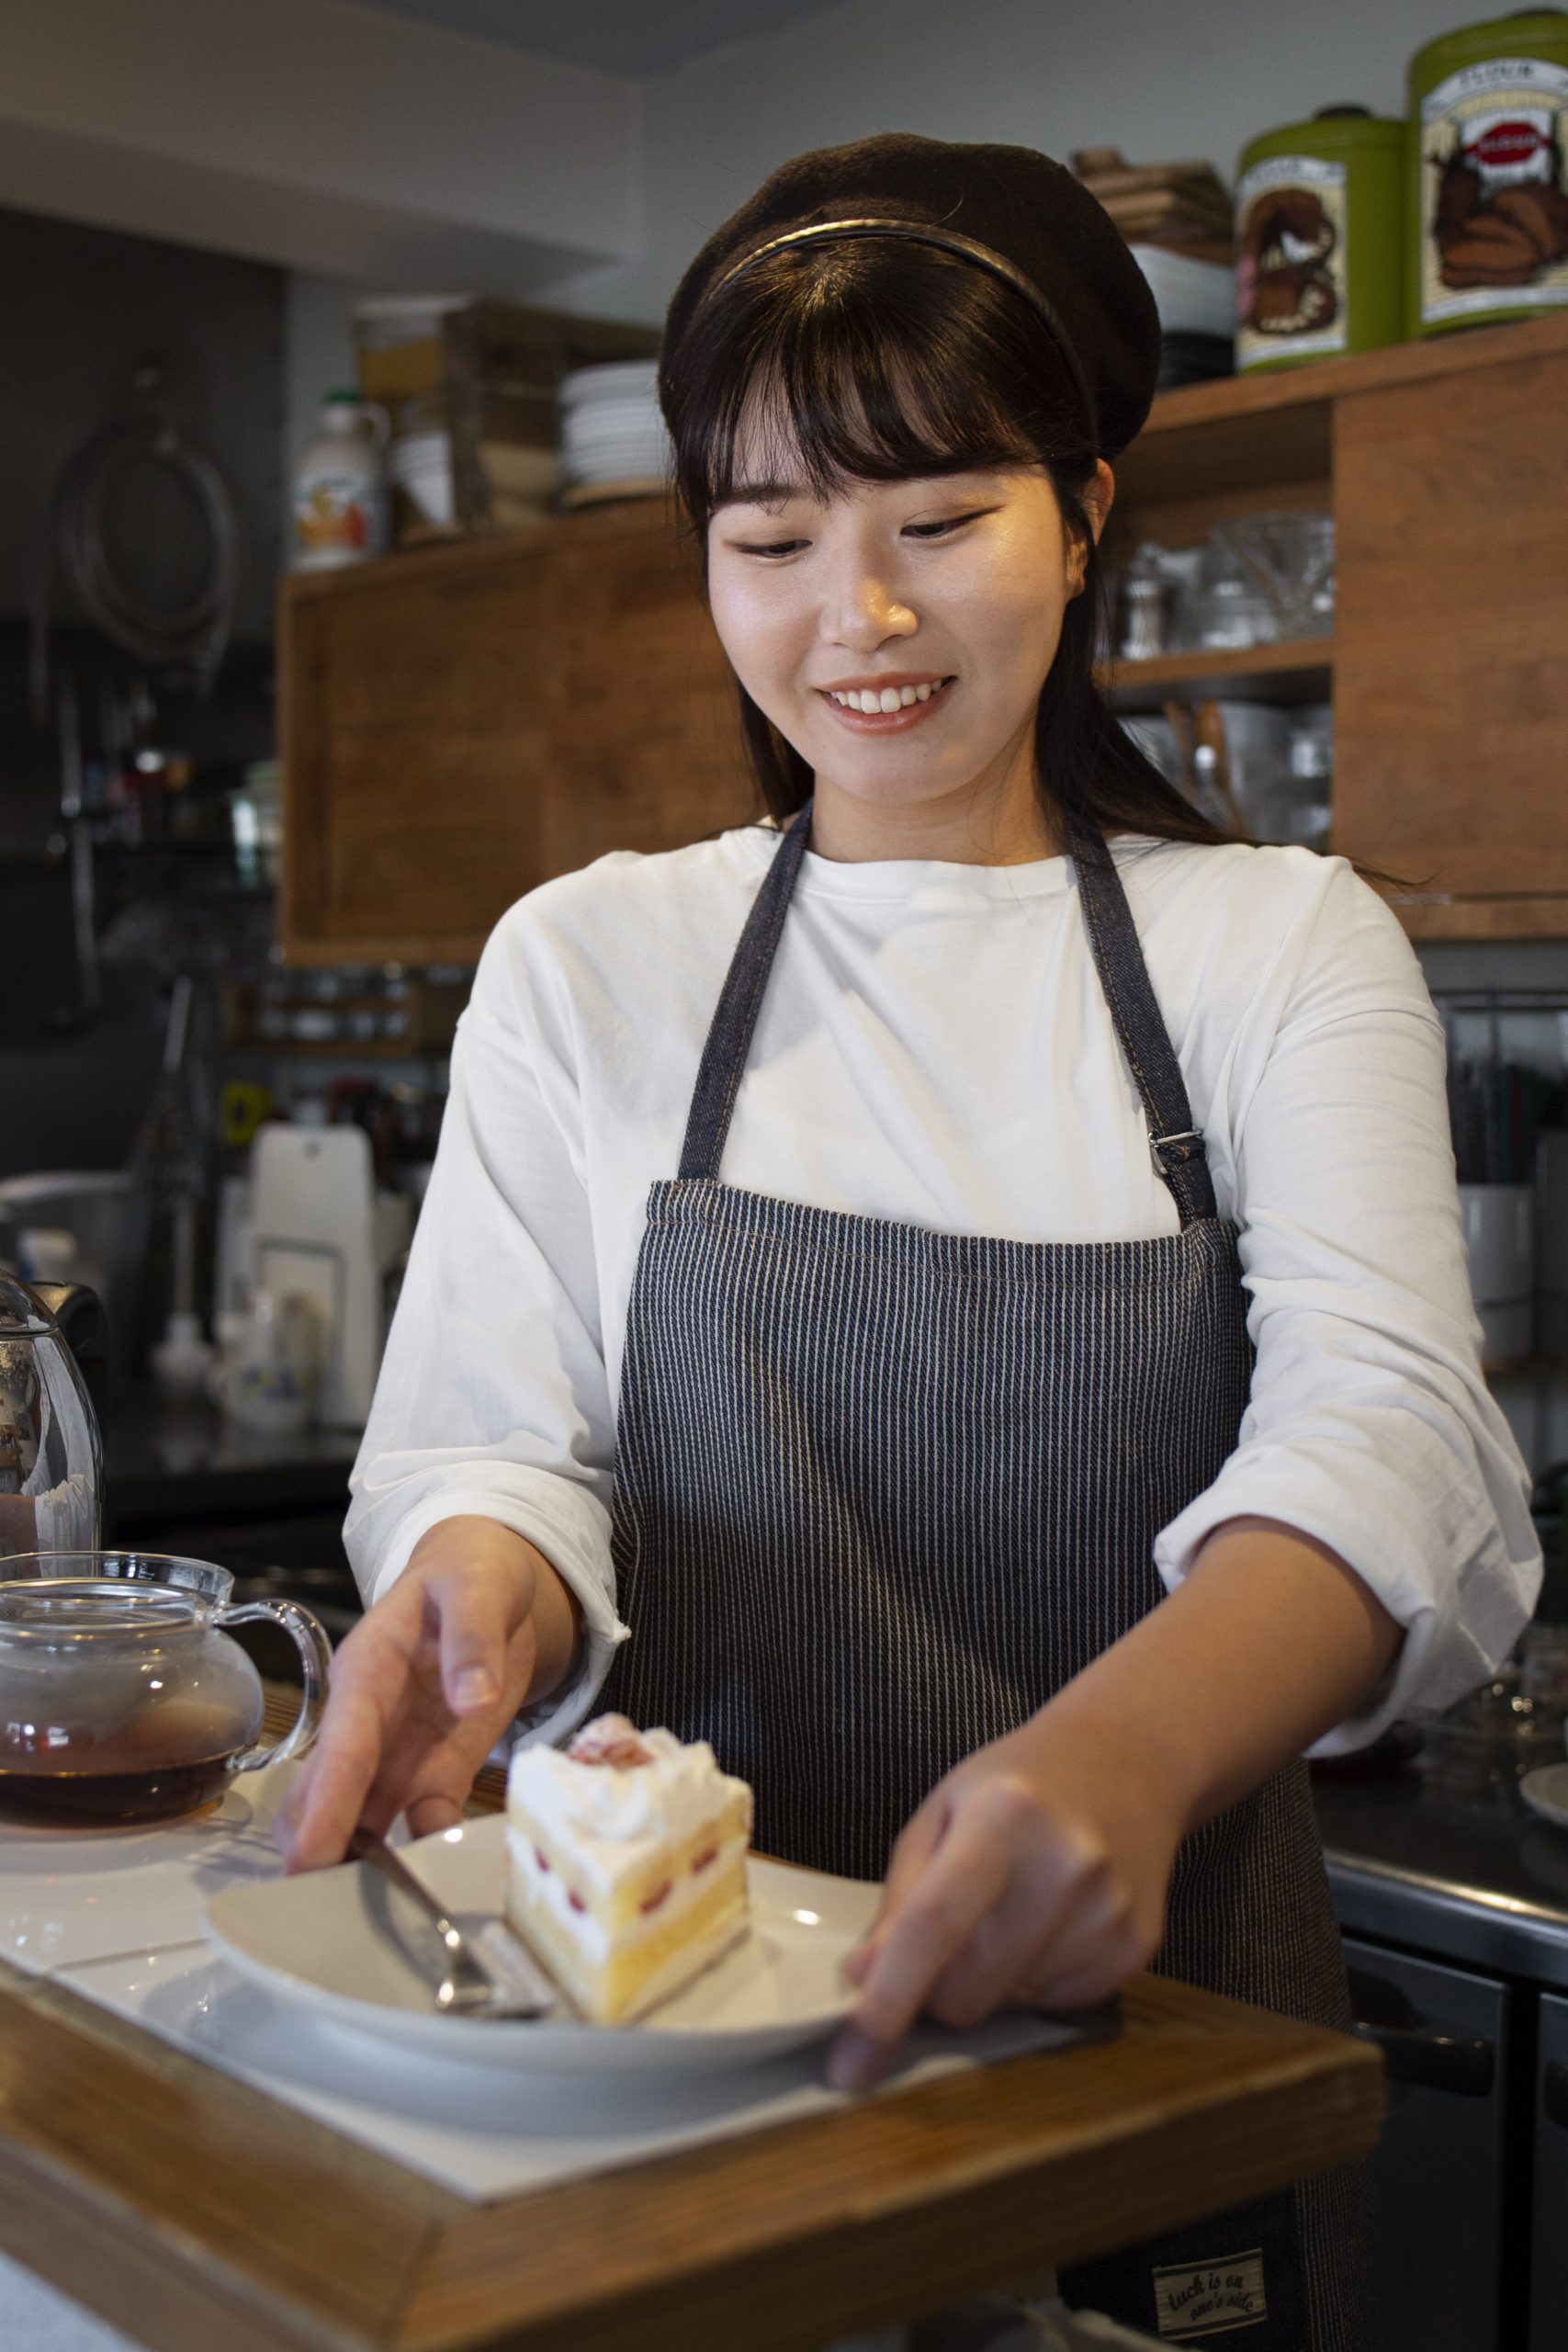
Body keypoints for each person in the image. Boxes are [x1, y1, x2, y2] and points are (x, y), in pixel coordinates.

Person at [278, 136, 1540, 2349]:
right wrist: (476, 1581)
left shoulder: (1270, 943)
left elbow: (1391, 1434)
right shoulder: (592, 958)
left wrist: (1123, 1753)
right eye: (769, 541)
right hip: (669, 2050)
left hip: (1152, 2028)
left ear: (1083, 512)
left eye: (937, 523)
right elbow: (491, 1436)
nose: (851, 620)